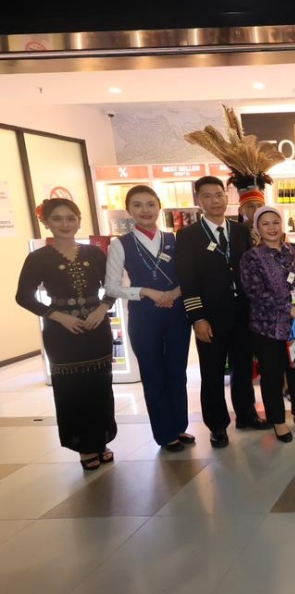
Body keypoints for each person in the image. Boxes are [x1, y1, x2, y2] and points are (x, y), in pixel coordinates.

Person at [16, 199, 117, 470]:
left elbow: (113, 286)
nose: (65, 224)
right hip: (61, 332)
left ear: (79, 221)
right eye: (57, 219)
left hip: (97, 327)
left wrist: (103, 308)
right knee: (71, 390)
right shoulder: (38, 258)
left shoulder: (94, 254)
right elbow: (23, 297)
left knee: (100, 385)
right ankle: (83, 446)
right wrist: (57, 316)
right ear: (47, 223)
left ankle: (101, 440)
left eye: (70, 218)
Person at [177, 175, 267, 449]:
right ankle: (217, 425)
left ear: (226, 198)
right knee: (213, 372)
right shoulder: (188, 235)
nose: (215, 201)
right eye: (207, 196)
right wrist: (198, 318)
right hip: (211, 317)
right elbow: (187, 280)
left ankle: (246, 415)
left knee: (243, 368)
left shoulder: (240, 231)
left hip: (242, 314)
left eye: (219, 195)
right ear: (198, 201)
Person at [105, 185, 193, 452]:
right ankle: (165, 434)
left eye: (150, 204)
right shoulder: (120, 244)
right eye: (138, 205)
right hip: (144, 315)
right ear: (129, 209)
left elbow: (190, 274)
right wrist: (145, 291)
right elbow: (111, 286)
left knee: (177, 372)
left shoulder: (175, 239)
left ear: (159, 206)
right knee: (153, 374)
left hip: (177, 312)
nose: (145, 210)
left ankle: (179, 426)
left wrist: (177, 291)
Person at [241, 206, 295, 442]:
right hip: (268, 328)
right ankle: (278, 421)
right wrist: (288, 308)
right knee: (272, 375)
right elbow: (254, 292)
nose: (272, 228)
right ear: (257, 229)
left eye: (276, 222)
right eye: (266, 224)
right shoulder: (251, 257)